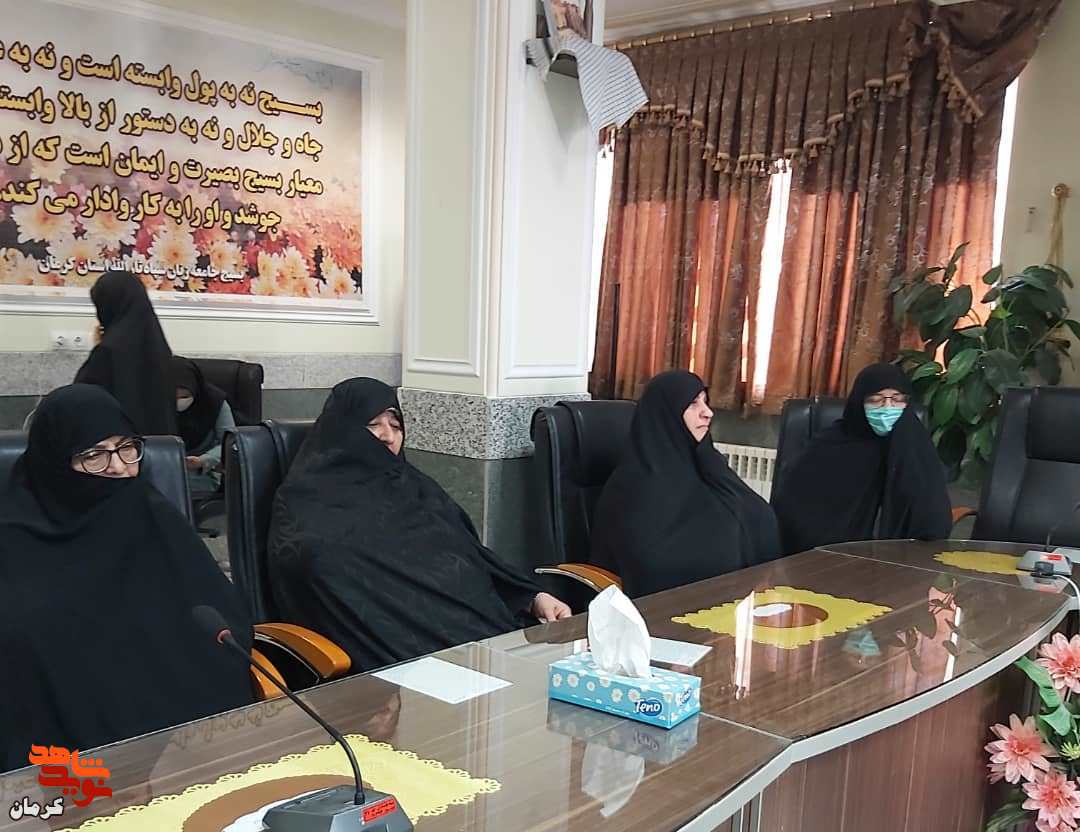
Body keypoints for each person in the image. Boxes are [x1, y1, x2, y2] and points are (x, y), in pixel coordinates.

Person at [0, 385, 253, 773]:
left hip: (181, 739)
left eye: (126, 448)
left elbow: (219, 615)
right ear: (54, 461)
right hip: (65, 753)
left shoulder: (150, 512)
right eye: (94, 455)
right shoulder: (13, 536)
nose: (118, 467)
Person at [267, 378, 572, 673]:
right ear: (341, 431)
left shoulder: (415, 487)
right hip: (404, 666)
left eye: (396, 425)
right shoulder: (306, 501)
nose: (388, 436)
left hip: (486, 646)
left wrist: (532, 599)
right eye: (373, 425)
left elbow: (470, 556)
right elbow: (319, 577)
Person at [591, 370, 781, 598]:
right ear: (666, 415)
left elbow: (759, 515)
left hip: (735, 603)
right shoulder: (634, 486)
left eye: (705, 402)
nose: (708, 413)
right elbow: (655, 566)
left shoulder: (707, 464)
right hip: (667, 610)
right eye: (693, 404)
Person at [771, 363, 953, 555]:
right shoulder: (829, 444)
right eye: (876, 400)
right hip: (828, 557)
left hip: (899, 558)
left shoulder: (914, 444)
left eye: (897, 399)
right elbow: (792, 509)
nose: (887, 408)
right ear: (859, 402)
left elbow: (933, 519)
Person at [75, 270, 177, 436]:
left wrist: (99, 347)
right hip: (161, 446)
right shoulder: (159, 347)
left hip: (120, 448)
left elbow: (78, 399)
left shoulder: (108, 351)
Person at [172, 357, 236, 494]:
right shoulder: (152, 404)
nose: (179, 402)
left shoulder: (214, 402)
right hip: (162, 470)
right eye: (173, 397)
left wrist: (204, 460)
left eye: (185, 396)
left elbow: (230, 442)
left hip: (202, 473)